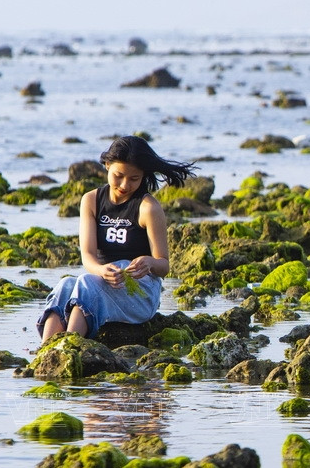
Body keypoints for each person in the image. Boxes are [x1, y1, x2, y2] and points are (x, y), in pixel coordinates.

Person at [37, 136, 197, 343]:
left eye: (134, 178)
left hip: (141, 294)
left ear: (143, 176)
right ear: (107, 165)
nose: (125, 185)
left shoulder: (148, 208)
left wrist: (149, 263)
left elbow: (163, 266)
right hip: (101, 281)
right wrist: (101, 270)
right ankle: (46, 350)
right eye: (118, 176)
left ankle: (70, 346)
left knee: (86, 283)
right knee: (66, 284)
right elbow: (88, 256)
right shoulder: (91, 200)